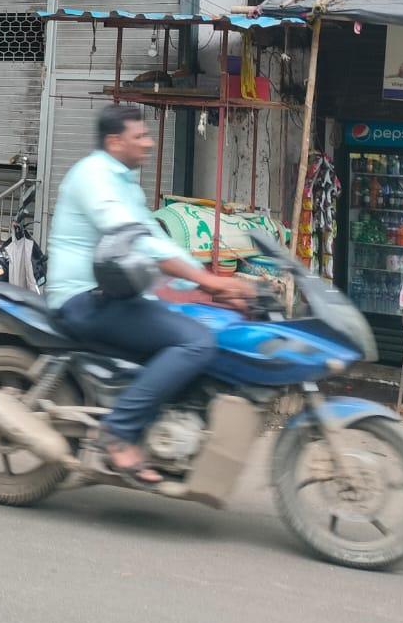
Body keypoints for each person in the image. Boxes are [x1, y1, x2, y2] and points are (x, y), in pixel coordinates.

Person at [47, 104, 257, 486]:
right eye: (140, 136)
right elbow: (134, 240)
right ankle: (118, 432)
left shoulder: (125, 183)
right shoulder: (93, 176)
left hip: (120, 296)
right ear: (115, 141)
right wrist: (209, 283)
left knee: (204, 327)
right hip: (83, 299)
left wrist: (202, 287)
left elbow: (160, 243)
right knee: (196, 344)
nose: (149, 142)